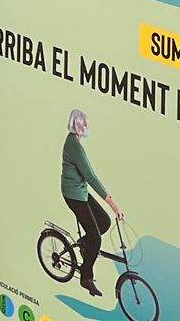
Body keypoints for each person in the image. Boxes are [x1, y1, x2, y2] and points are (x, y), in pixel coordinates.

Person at [61, 109, 121, 297]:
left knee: (104, 222)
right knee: (96, 238)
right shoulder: (75, 146)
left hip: (81, 191)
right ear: (78, 126)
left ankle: (83, 244)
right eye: (84, 124)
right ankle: (85, 277)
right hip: (73, 195)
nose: (87, 127)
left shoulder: (75, 142)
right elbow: (91, 178)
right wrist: (114, 205)